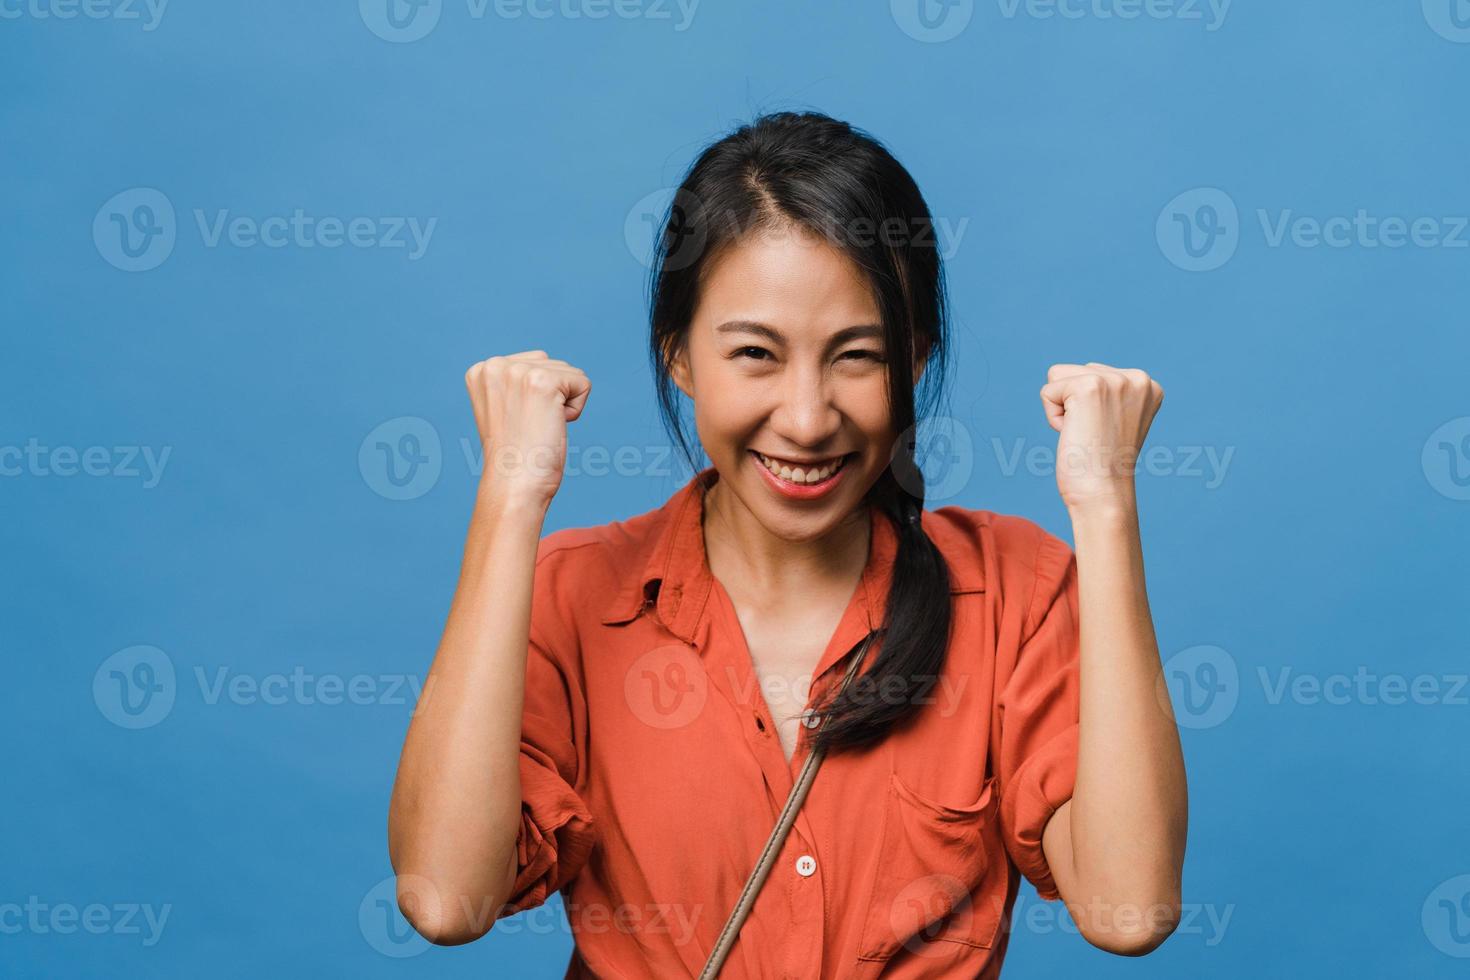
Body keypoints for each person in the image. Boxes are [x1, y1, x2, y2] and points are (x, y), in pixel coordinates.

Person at [386, 110, 1187, 978]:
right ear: (680, 358)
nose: (807, 421)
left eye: (857, 356)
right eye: (757, 354)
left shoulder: (1016, 592)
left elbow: (1129, 907)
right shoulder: (574, 592)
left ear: (914, 362)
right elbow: (445, 899)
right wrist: (511, 498)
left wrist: (1105, 506)